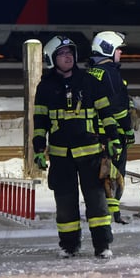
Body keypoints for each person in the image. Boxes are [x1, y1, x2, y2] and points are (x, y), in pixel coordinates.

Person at [32, 36, 116, 258]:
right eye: (61, 53)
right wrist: (39, 149)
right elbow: (39, 122)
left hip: (91, 153)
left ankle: (103, 246)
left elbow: (106, 113)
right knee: (65, 204)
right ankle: (69, 246)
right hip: (61, 157)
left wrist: (113, 139)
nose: (67, 56)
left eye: (70, 52)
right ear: (51, 58)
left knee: (97, 203)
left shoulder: (89, 81)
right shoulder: (45, 87)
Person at [88, 30, 133, 224]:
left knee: (100, 174)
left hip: (94, 134)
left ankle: (100, 211)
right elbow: (117, 108)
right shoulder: (111, 73)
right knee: (116, 174)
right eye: (118, 49)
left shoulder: (90, 72)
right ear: (108, 49)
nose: (120, 53)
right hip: (114, 133)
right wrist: (128, 130)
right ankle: (113, 214)